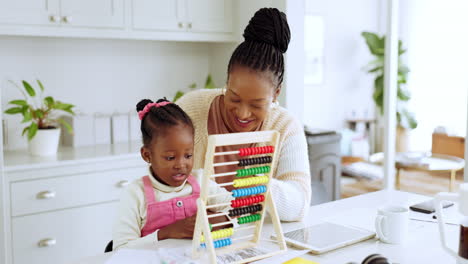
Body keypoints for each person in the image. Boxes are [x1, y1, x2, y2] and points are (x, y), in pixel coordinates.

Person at [177, 7, 311, 222]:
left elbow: (299, 207)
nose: (242, 112)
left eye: (257, 104)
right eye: (234, 98)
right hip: (186, 240)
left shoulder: (286, 127)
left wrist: (259, 183)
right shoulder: (190, 109)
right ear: (227, 82)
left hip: (254, 241)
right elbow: (159, 180)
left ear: (277, 93)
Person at [112, 98, 230, 250]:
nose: (181, 165)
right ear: (147, 155)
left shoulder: (201, 182)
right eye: (170, 158)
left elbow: (235, 208)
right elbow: (121, 248)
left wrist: (221, 218)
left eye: (188, 155)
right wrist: (166, 233)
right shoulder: (135, 194)